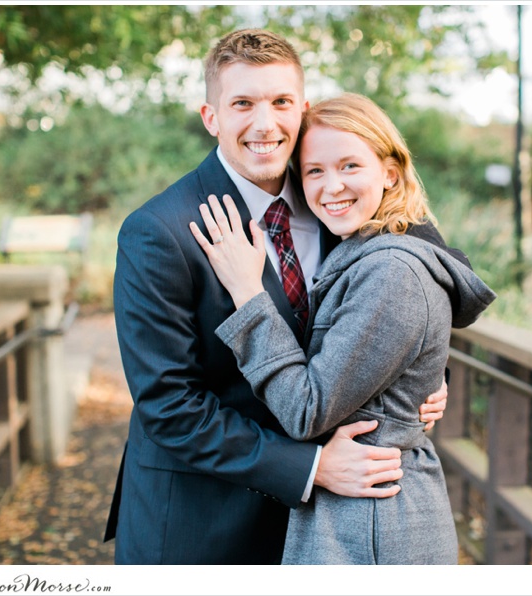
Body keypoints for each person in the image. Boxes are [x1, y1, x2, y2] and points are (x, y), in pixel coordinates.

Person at [104, 29, 456, 564]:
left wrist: (423, 381)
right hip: (202, 526)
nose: (264, 124)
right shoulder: (160, 231)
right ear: (212, 117)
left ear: (303, 109)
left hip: (321, 531)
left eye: (281, 102)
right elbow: (169, 406)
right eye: (242, 103)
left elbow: (394, 299)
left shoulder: (333, 196)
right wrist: (310, 467)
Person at [189, 92, 496, 564]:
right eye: (315, 171)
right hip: (357, 511)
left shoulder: (391, 271)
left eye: (350, 166)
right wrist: (427, 376)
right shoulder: (355, 246)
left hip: (372, 524)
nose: (332, 186)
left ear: (390, 171)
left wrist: (248, 294)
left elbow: (307, 409)